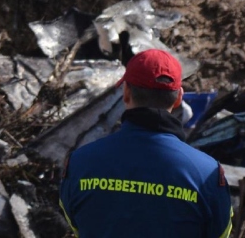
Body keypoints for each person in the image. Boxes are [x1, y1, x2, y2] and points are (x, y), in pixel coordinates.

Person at [59, 49, 233, 238]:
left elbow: (74, 224)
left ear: (126, 92)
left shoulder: (79, 163)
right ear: (179, 98)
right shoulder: (208, 174)